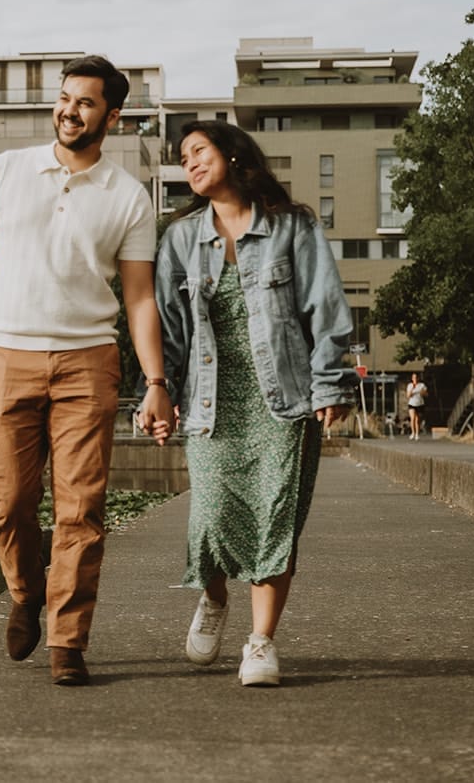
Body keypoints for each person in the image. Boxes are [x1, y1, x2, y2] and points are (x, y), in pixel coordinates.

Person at [0, 55, 172, 687]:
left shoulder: (128, 198)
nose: (69, 111)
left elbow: (139, 299)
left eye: (86, 103)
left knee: (81, 509)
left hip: (88, 363)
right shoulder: (6, 170)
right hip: (4, 354)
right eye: (65, 98)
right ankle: (25, 592)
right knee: (9, 500)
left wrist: (154, 382)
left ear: (113, 116)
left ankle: (68, 643)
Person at [150, 120, 355, 688]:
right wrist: (158, 390)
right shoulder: (181, 240)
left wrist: (330, 384)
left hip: (283, 401)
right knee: (210, 520)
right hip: (211, 403)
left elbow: (326, 308)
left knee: (275, 524)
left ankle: (261, 643)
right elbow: (169, 330)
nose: (188, 163)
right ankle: (215, 600)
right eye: (183, 157)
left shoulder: (294, 227)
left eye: (198, 151)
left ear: (233, 155)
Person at [405, 372, 428, 440]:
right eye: (413, 378)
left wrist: (423, 393)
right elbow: (408, 395)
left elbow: (426, 394)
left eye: (416, 377)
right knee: (413, 418)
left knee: (417, 420)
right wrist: (413, 388)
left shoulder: (422, 385)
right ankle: (413, 433)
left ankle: (417, 434)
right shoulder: (410, 385)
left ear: (418, 378)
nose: (415, 379)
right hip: (412, 403)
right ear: (412, 379)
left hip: (420, 403)